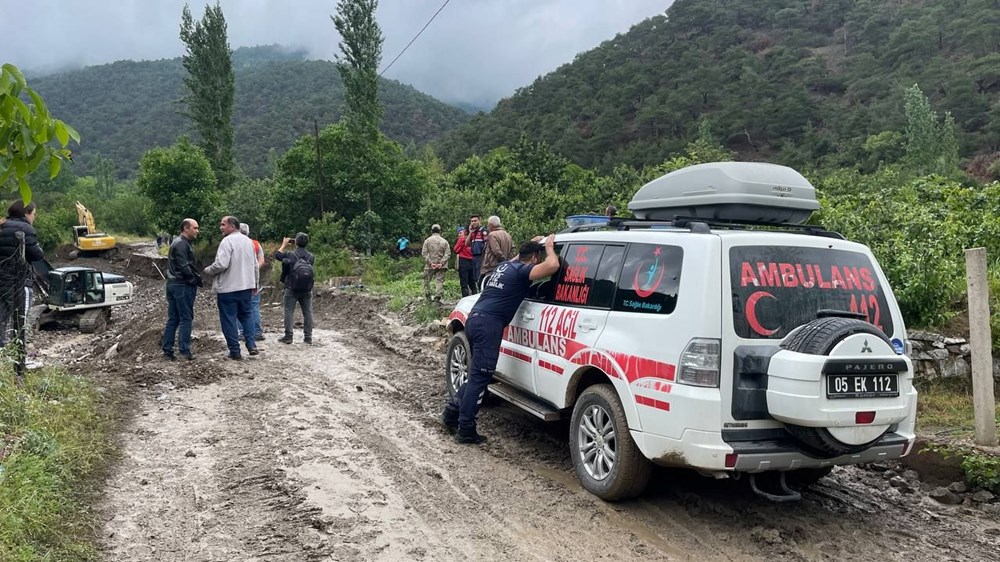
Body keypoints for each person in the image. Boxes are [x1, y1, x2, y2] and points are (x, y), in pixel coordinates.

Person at [441, 235, 560, 444]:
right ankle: (466, 430)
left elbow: (516, 259)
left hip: (474, 320)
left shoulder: (506, 267)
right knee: (480, 379)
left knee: (476, 374)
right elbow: (552, 266)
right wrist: (550, 248)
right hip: (489, 325)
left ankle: (451, 413)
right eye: (537, 258)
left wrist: (532, 244)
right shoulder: (524, 270)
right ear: (534, 258)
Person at [203, 216, 258, 360]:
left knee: (228, 319)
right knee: (246, 316)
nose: (220, 227)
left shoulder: (226, 241)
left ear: (232, 226)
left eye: (223, 225)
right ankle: (251, 344)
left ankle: (235, 351)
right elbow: (255, 265)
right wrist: (255, 284)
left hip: (228, 288)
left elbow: (221, 264)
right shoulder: (249, 242)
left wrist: (208, 270)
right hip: (246, 286)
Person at [0, 200, 43, 347]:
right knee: (21, 320)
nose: (34, 218)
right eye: (34, 214)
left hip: (2, 280)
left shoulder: (2, 225)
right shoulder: (26, 229)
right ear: (26, 214)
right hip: (19, 281)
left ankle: (2, 354)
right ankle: (20, 357)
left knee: (2, 318)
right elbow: (36, 255)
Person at [162, 218, 202, 360]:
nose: (198, 231)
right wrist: (192, 280)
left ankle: (168, 350)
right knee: (186, 318)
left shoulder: (179, 243)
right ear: (186, 228)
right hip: (181, 284)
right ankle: (184, 351)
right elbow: (184, 265)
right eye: (195, 228)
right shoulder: (181, 244)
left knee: (174, 318)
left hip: (173, 283)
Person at [275, 232, 315, 344]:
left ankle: (288, 336)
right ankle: (308, 337)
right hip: (306, 289)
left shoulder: (290, 254)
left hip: (291, 288)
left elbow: (278, 256)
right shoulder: (311, 257)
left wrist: (284, 244)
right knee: (308, 312)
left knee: (289, 311)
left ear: (296, 242)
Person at [239, 223, 266, 341]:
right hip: (254, 280)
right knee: (254, 305)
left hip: (239, 280)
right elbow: (262, 261)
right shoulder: (255, 244)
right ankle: (257, 332)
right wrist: (254, 269)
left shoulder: (235, 243)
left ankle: (242, 332)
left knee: (239, 307)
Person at [479, 215, 513, 285]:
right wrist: (508, 262)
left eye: (488, 225)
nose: (487, 227)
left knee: (485, 286)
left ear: (491, 225)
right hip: (505, 267)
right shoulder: (507, 234)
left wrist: (503, 262)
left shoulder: (492, 235)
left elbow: (496, 251)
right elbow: (513, 250)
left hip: (493, 267)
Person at [421, 224, 450, 302]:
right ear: (440, 231)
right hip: (442, 266)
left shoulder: (427, 241)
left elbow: (424, 253)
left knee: (426, 280)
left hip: (429, 266)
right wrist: (441, 263)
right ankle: (437, 298)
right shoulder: (444, 241)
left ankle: (428, 297)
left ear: (431, 231)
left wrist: (431, 263)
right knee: (439, 281)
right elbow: (447, 253)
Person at [453, 226, 476, 297]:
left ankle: (465, 298)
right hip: (472, 261)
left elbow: (455, 250)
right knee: (472, 281)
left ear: (465, 232)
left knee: (464, 282)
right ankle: (475, 297)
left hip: (464, 261)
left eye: (460, 232)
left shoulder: (462, 239)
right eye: (459, 233)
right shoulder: (473, 238)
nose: (459, 235)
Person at [465, 215, 487, 285]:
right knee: (476, 277)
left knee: (480, 276)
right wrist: (470, 232)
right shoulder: (473, 232)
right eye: (472, 221)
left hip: (481, 256)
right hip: (474, 257)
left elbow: (487, 245)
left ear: (479, 221)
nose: (473, 223)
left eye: (475, 221)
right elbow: (467, 243)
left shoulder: (483, 231)